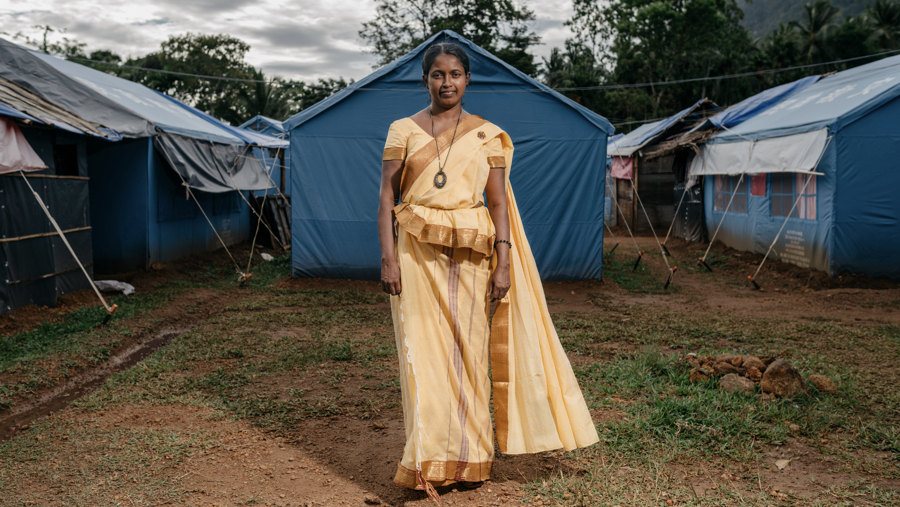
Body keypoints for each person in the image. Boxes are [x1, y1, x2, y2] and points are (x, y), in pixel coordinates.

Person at [377, 42, 598, 498]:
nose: (447, 83)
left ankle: (472, 462)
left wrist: (504, 261)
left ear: (467, 79)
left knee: (470, 358)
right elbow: (386, 197)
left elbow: (497, 202)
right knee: (425, 356)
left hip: (476, 253)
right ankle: (429, 462)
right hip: (417, 254)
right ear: (426, 80)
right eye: (438, 75)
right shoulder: (402, 130)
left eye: (455, 74)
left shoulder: (488, 135)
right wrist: (388, 258)